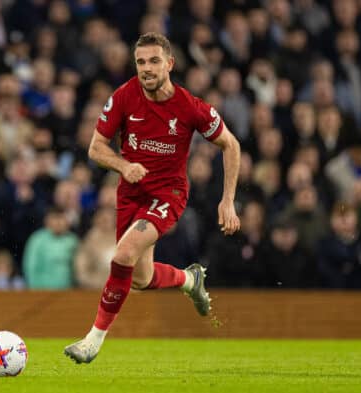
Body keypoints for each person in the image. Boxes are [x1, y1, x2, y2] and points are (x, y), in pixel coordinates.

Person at [64, 32, 241, 364]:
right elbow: (95, 148)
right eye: (141, 62)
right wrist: (122, 164)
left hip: (168, 194)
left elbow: (231, 144)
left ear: (170, 64)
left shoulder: (190, 107)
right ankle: (190, 279)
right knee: (140, 279)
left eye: (154, 61)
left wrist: (227, 200)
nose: (146, 68)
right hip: (131, 193)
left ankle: (92, 340)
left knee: (123, 254)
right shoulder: (123, 97)